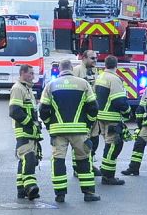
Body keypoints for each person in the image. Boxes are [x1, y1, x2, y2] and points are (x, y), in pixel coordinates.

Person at [39, 59, 101, 203]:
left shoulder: (51, 85)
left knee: (58, 161)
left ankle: (60, 194)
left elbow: (43, 109)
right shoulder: (83, 84)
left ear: (59, 69)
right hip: (79, 130)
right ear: (72, 69)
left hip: (58, 131)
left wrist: (49, 125)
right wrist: (88, 124)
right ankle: (88, 193)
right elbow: (93, 107)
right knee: (83, 160)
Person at [94, 56, 130, 185]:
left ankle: (106, 171)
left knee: (108, 145)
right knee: (114, 145)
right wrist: (127, 112)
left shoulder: (100, 76)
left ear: (105, 64)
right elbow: (119, 100)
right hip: (111, 118)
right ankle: (108, 176)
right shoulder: (114, 79)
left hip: (101, 117)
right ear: (116, 65)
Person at [9, 64, 41, 200]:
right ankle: (30, 187)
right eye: (30, 74)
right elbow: (14, 111)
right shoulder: (18, 89)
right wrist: (30, 123)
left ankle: (21, 190)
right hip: (24, 130)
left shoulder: (27, 89)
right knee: (29, 158)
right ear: (22, 73)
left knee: (24, 160)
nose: (33, 76)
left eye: (33, 74)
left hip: (30, 131)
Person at [72, 51, 101, 175]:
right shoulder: (77, 70)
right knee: (81, 140)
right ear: (83, 58)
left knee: (94, 139)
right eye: (92, 58)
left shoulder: (94, 71)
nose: (95, 60)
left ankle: (89, 163)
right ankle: (77, 168)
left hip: (92, 109)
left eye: (96, 58)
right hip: (81, 111)